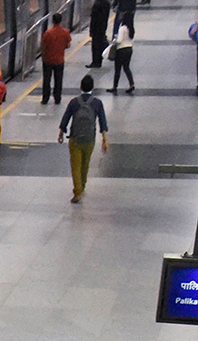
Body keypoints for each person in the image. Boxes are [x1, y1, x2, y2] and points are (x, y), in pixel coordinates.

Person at [57, 76, 109, 204]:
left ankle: (77, 191)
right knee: (85, 164)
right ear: (93, 87)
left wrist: (61, 133)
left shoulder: (74, 102)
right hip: (90, 139)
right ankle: (83, 186)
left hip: (75, 138)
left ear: (80, 87)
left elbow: (66, 118)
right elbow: (103, 122)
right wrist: (104, 140)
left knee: (75, 166)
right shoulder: (97, 103)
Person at [40, 12, 71, 105]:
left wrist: (44, 56)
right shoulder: (65, 32)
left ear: (52, 21)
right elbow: (68, 45)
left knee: (46, 80)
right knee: (58, 80)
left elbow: (43, 46)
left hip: (48, 60)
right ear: (61, 21)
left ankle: (45, 98)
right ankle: (57, 98)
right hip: (59, 60)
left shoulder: (48, 33)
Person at [88, 0, 111, 68]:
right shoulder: (107, 4)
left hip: (96, 29)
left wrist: (91, 30)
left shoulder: (96, 4)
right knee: (100, 44)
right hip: (103, 27)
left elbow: (93, 19)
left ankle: (95, 62)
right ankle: (99, 61)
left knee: (95, 46)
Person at [108, 22, 135, 94]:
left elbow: (119, 40)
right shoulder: (131, 28)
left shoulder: (122, 28)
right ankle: (131, 84)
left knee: (117, 69)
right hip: (129, 49)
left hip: (121, 50)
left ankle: (114, 86)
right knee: (126, 67)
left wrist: (115, 40)